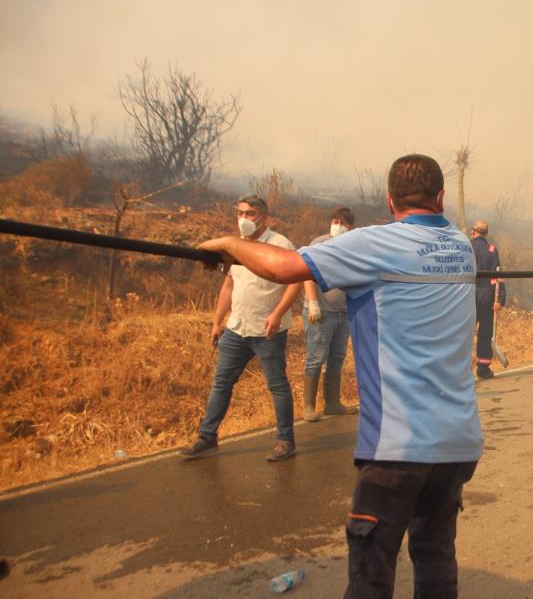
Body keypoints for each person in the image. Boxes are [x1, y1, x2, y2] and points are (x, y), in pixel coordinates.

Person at [198, 154, 483, 596]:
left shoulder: (376, 244)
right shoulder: (462, 246)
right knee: (435, 561)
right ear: (442, 198)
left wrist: (229, 245)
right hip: (458, 445)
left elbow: (282, 267)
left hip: (398, 448)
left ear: (390, 202)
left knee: (370, 576)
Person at [180, 194, 302, 462]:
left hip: (268, 328)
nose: (244, 219)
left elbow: (296, 280)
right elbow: (228, 285)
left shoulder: (280, 244)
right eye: (240, 213)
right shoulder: (234, 247)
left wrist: (278, 313)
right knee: (221, 382)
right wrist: (217, 321)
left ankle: (285, 440)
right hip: (237, 327)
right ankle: (207, 437)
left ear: (264, 217)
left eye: (250, 213)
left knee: (277, 384)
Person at [302, 206, 358, 421]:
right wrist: (313, 302)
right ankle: (308, 406)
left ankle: (332, 403)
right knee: (316, 358)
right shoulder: (320, 244)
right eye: (335, 221)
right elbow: (306, 272)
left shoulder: (353, 247)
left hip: (343, 311)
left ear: (350, 226)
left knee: (337, 357)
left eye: (342, 222)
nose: (338, 225)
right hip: (321, 311)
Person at [470, 220, 505, 379]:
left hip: (468, 295)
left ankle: (460, 370)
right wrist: (500, 299)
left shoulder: (466, 247)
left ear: (473, 232)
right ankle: (483, 368)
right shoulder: (492, 250)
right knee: (485, 332)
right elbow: (498, 276)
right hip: (488, 296)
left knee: (464, 333)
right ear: (486, 234)